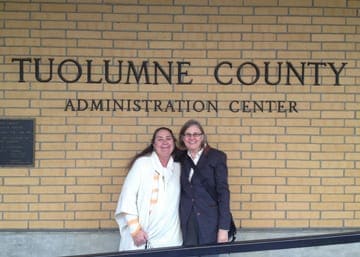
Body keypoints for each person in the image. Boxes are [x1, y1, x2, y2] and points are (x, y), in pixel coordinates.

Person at [115, 127, 182, 251]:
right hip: (143, 237)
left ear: (174, 142)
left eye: (168, 139)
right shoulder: (142, 164)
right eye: (160, 139)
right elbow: (128, 198)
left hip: (172, 239)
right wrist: (135, 230)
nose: (165, 142)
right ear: (154, 144)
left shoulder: (179, 168)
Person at [178, 119, 232, 247]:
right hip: (187, 221)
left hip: (210, 222)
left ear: (202, 137)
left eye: (196, 134)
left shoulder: (217, 157)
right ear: (182, 138)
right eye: (188, 134)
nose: (192, 138)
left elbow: (223, 193)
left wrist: (223, 228)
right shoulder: (179, 158)